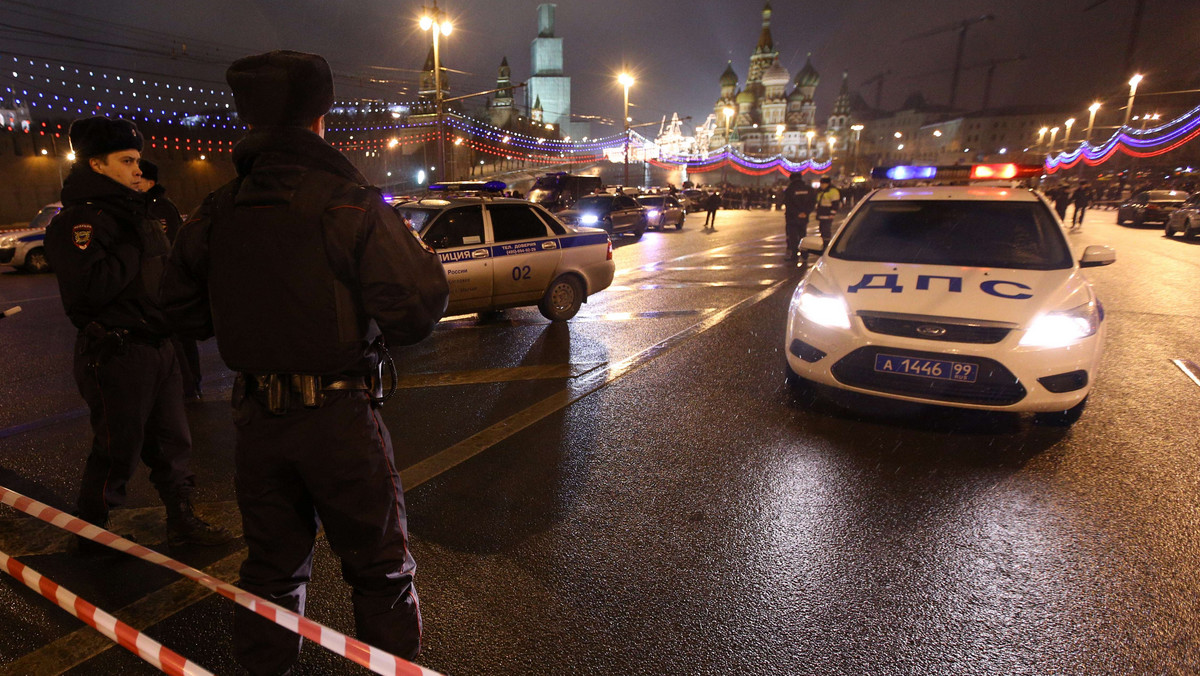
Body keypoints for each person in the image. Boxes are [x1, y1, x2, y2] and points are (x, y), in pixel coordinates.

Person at [161, 50, 449, 673]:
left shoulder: (217, 209)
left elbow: (179, 310)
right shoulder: (349, 203)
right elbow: (417, 310)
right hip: (339, 419)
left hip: (258, 421)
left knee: (269, 571)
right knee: (379, 571)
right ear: (320, 118)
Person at [42, 117, 231, 554]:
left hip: (159, 346)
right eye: (126, 161)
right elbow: (89, 290)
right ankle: (92, 532)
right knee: (117, 447)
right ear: (97, 164)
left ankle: (181, 520)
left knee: (173, 441)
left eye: (137, 160)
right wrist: (137, 237)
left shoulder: (139, 214)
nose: (136, 169)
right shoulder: (79, 222)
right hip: (116, 349)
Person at [139, 159, 202, 401]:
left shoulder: (158, 207)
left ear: (150, 182)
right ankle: (191, 385)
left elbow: (168, 245)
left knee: (180, 341)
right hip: (171, 282)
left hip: (169, 283)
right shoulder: (155, 205)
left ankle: (189, 387)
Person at [782, 171, 816, 261]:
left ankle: (794, 255)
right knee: (803, 235)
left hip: (792, 217)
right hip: (804, 217)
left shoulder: (790, 189)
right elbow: (812, 202)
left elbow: (788, 204)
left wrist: (797, 213)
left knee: (793, 236)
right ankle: (804, 254)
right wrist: (806, 212)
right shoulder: (809, 189)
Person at [814, 176, 842, 247]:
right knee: (822, 229)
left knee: (826, 231)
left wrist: (832, 213)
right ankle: (824, 243)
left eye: (823, 184)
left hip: (828, 214)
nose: (822, 185)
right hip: (822, 214)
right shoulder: (820, 191)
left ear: (827, 184)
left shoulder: (832, 191)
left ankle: (826, 245)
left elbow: (835, 204)